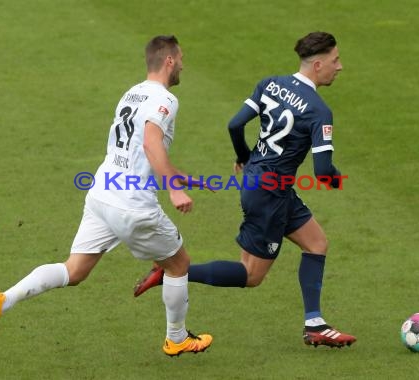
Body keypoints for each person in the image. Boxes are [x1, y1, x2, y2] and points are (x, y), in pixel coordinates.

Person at [0, 35, 213, 357]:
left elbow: (134, 151)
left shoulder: (132, 93)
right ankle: (177, 338)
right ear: (169, 60)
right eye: (180, 58)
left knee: (74, 271)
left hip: (102, 193)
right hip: (132, 204)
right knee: (179, 264)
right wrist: (174, 188)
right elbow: (151, 145)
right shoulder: (166, 99)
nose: (183, 63)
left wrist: (182, 177)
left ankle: (5, 299)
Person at [133, 31, 356, 348]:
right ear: (318, 64)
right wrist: (334, 177)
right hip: (270, 194)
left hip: (261, 181)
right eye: (335, 60)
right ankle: (171, 272)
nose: (340, 67)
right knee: (251, 275)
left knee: (317, 243)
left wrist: (244, 156)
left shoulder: (271, 84)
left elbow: (235, 125)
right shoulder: (319, 111)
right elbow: (322, 172)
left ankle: (315, 324)